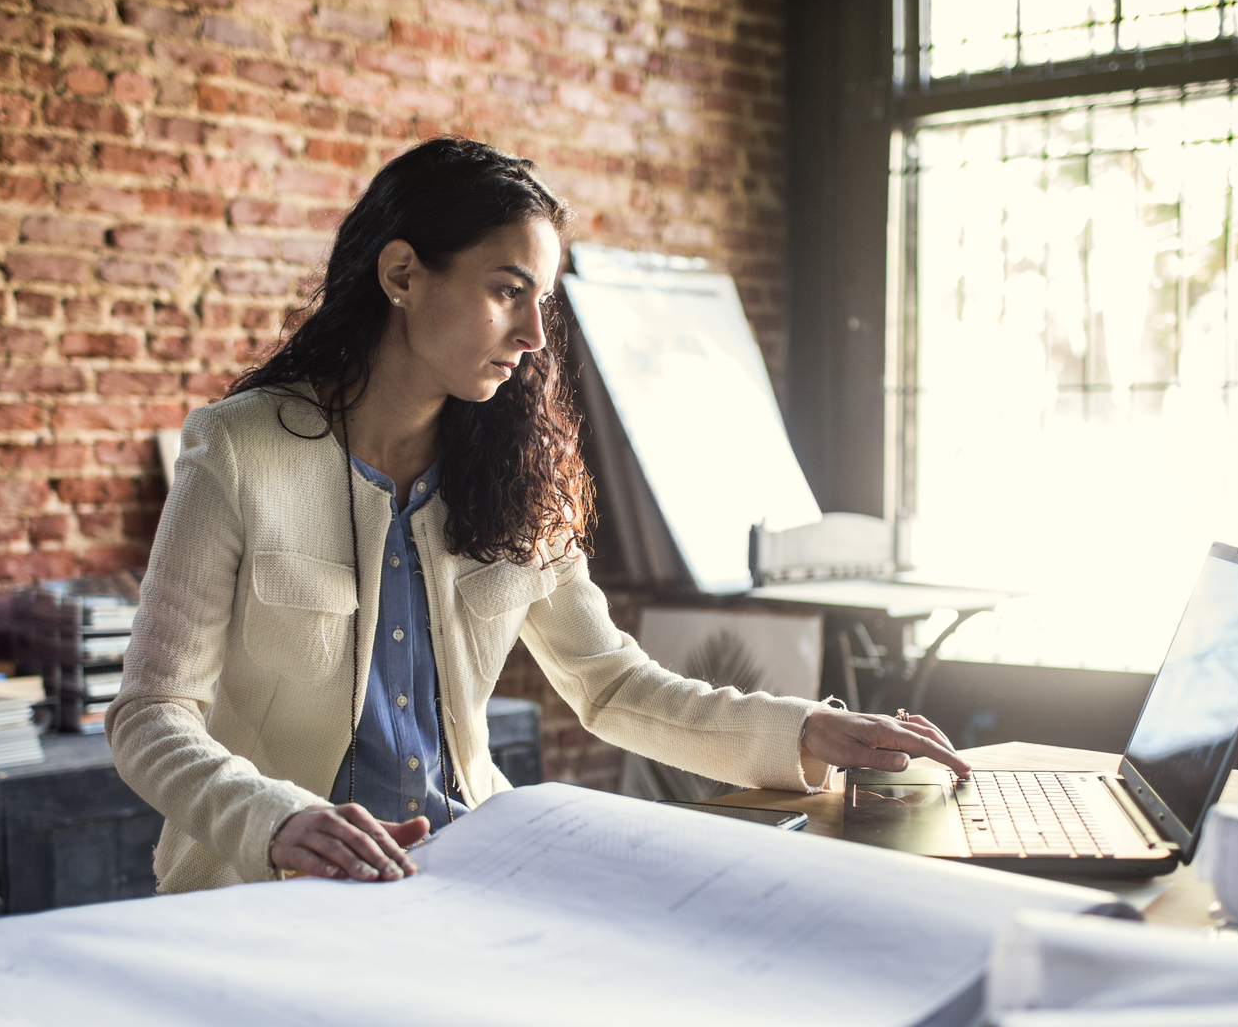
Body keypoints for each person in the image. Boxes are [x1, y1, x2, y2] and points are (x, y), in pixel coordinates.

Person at [107, 137, 970, 893]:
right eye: (507, 291)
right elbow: (150, 715)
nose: (534, 335)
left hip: (465, 881)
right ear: (403, 274)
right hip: (271, 896)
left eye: (542, 300)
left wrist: (807, 729)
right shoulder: (238, 451)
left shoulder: (517, 475)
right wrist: (274, 818)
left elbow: (614, 686)